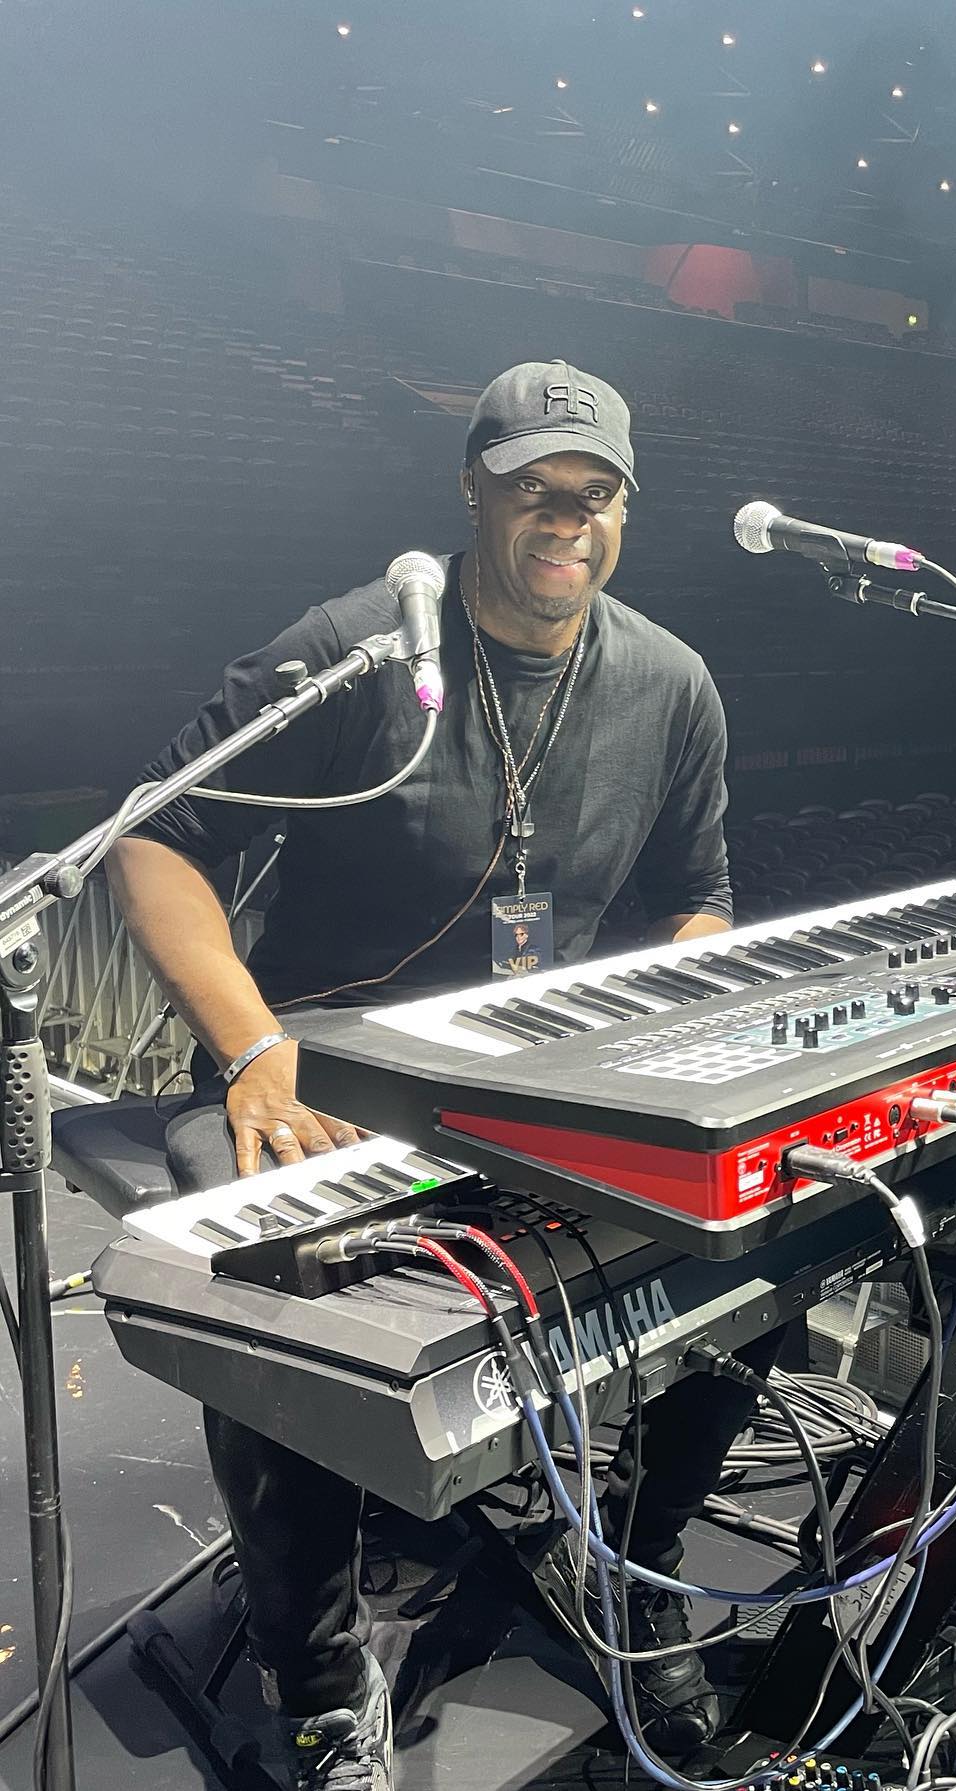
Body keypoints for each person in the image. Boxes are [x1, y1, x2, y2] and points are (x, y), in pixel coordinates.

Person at [108, 360, 787, 1789]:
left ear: (625, 510)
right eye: (535, 488)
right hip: (322, 1068)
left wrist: (677, 1025)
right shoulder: (358, 652)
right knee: (269, 1290)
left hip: (542, 1075)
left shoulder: (671, 683)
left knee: (768, 1224)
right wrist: (254, 1049)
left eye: (596, 493)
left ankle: (637, 1568)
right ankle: (316, 1680)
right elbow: (158, 838)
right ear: (474, 492)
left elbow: (698, 897)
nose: (566, 518)